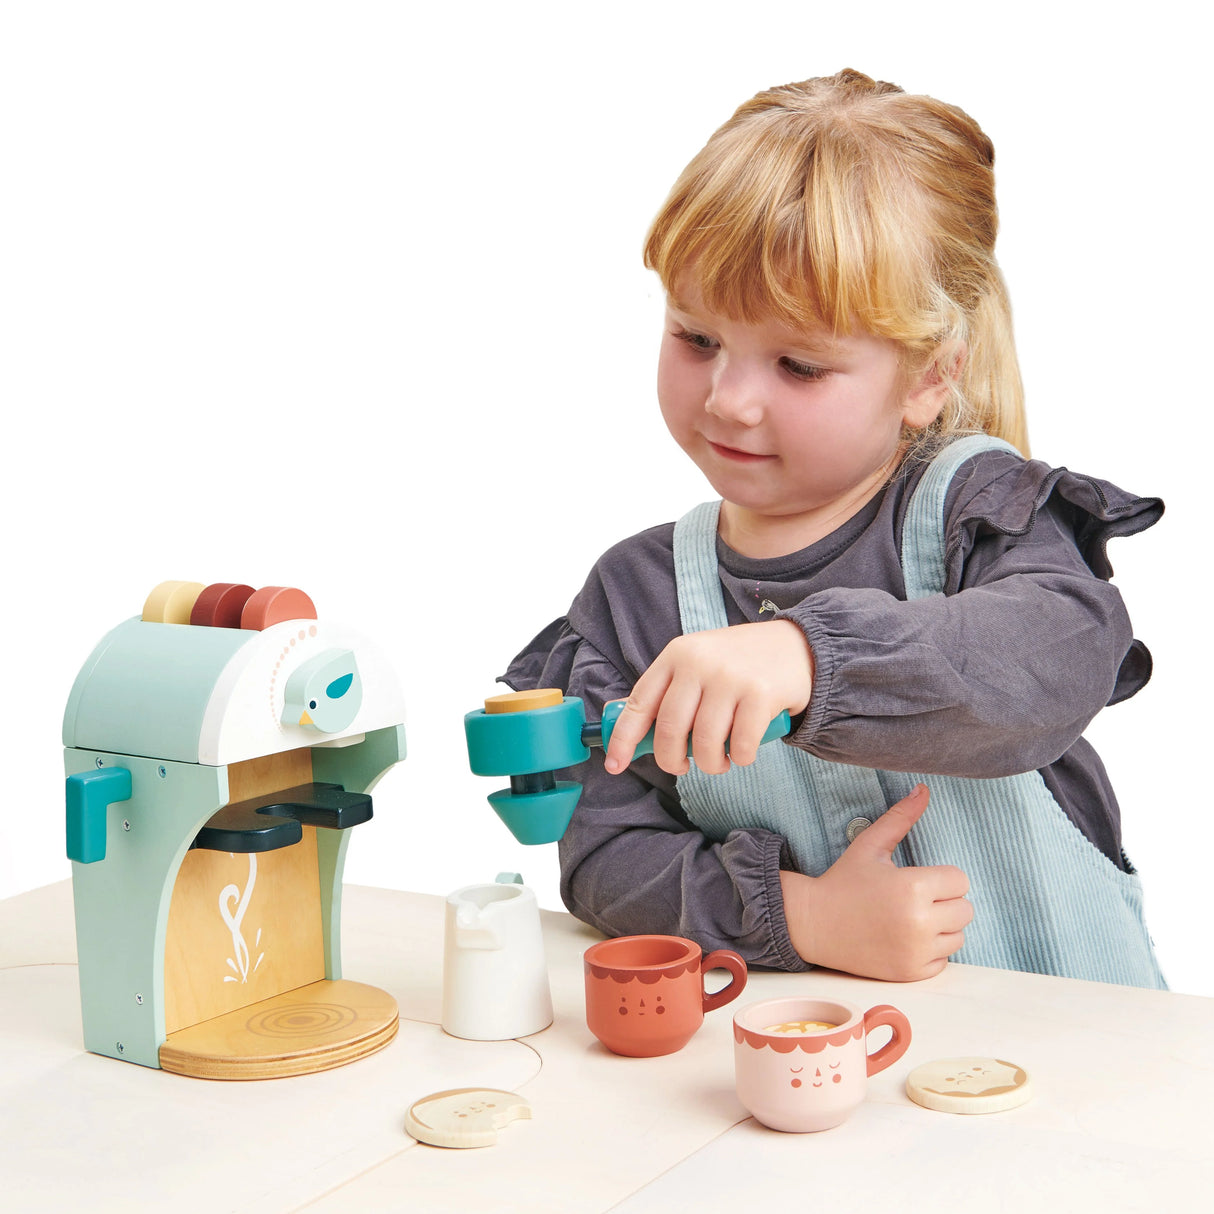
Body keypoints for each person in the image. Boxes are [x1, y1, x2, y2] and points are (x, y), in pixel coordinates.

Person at [503, 69, 1165, 988]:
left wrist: (809, 658)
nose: (729, 401)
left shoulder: (977, 510)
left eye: (799, 365)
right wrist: (800, 916)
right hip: (815, 1082)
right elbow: (604, 858)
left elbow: (1062, 650)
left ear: (930, 376)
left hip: (1078, 1062)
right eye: (697, 339)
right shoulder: (636, 600)